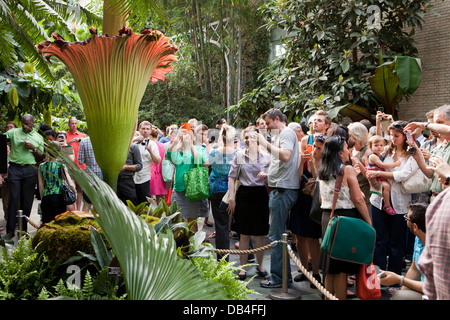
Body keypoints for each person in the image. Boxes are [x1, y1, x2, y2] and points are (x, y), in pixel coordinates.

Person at [318, 135, 372, 300]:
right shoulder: (346, 170)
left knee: (329, 268)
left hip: (328, 217)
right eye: (346, 148)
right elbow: (358, 199)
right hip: (345, 220)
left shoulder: (323, 169)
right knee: (341, 270)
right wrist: (369, 222)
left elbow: (321, 199)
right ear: (340, 153)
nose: (349, 151)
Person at [366, 120, 419, 284]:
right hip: (378, 200)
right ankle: (378, 278)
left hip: (399, 203)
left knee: (396, 244)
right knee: (379, 240)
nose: (392, 138)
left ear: (405, 136)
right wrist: (371, 173)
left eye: (396, 135)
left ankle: (395, 278)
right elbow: (372, 164)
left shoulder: (412, 154)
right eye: (391, 135)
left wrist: (377, 174)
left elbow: (403, 175)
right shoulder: (385, 150)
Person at [252, 108, 300, 289]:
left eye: (269, 123)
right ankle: (282, 275)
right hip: (279, 188)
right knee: (278, 235)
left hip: (283, 190)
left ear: (277, 119)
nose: (268, 127)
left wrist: (264, 143)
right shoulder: (282, 135)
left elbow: (286, 156)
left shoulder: (286, 132)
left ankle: (279, 277)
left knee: (277, 236)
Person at [228, 126, 271, 279]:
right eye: (246, 137)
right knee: (244, 234)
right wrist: (232, 198)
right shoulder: (239, 155)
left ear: (258, 139)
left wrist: (266, 175)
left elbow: (272, 177)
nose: (248, 140)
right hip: (244, 194)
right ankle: (243, 268)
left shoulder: (267, 156)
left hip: (260, 194)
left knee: (260, 234)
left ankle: (260, 266)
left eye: (251, 137)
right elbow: (232, 177)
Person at [1, 115, 45, 244]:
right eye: (23, 124)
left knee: (27, 200)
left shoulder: (38, 137)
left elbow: (40, 157)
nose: (25, 126)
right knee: (13, 197)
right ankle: (10, 232)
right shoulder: (14, 132)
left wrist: (33, 149)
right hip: (14, 168)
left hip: (30, 169)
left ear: (33, 123)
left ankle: (24, 230)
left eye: (28, 124)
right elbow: (2, 139)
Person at [290, 135, 324, 287]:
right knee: (300, 237)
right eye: (312, 147)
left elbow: (320, 181)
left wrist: (314, 166)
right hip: (301, 201)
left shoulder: (325, 164)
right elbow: (297, 180)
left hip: (315, 204)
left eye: (318, 148)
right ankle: (303, 270)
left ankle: (316, 273)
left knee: (313, 239)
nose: (314, 150)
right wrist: (303, 162)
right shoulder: (304, 161)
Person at [379, 201, 427, 300]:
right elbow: (414, 269)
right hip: (423, 288)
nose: (405, 220)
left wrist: (399, 279)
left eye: (407, 218)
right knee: (399, 296)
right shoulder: (418, 239)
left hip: (436, 292)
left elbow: (433, 287)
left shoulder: (438, 248)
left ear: (415, 226)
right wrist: (402, 292)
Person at [166, 127, 209, 232]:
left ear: (193, 137)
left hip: (193, 189)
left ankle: (193, 245)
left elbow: (199, 160)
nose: (185, 136)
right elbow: (169, 154)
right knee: (178, 219)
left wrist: (190, 146)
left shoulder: (199, 149)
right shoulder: (177, 150)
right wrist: (177, 139)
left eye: (188, 134)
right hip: (179, 188)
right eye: (183, 134)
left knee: (192, 220)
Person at [405, 104, 450, 202]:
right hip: (435, 198)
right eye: (434, 123)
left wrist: (424, 125)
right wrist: (418, 157)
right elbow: (431, 174)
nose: (435, 127)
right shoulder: (440, 147)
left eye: (440, 123)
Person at [206, 124, 237, 261]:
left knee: (220, 225)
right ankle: (230, 258)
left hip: (216, 189)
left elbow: (207, 164)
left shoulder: (214, 152)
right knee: (229, 224)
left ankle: (221, 258)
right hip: (230, 191)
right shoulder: (237, 153)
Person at [38, 147, 76, 223]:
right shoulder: (61, 166)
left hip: (46, 197)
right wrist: (74, 191)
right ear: (59, 152)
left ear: (47, 152)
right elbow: (70, 183)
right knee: (59, 222)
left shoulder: (41, 166)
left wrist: (43, 198)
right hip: (59, 197)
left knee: (47, 223)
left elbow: (40, 184)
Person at [366, 135, 401, 215]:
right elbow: (382, 165)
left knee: (387, 187)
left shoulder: (380, 155)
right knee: (386, 186)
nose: (379, 147)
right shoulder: (373, 156)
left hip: (379, 176)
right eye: (376, 145)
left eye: (381, 145)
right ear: (370, 147)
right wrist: (394, 164)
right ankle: (387, 205)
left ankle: (386, 204)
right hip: (377, 177)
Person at [133, 121, 161, 204]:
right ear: (139, 130)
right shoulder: (133, 142)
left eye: (147, 129)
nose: (145, 131)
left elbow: (157, 162)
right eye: (143, 129)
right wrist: (134, 140)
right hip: (131, 177)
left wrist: (151, 151)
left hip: (144, 178)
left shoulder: (153, 144)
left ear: (150, 131)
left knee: (144, 204)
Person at [347, 122, 371, 212]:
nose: (348, 138)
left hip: (365, 195)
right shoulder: (352, 150)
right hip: (353, 194)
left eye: (350, 135)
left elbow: (369, 175)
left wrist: (358, 163)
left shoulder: (367, 151)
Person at [66, 117, 86, 210]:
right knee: (70, 188)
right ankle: (71, 210)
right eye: (72, 123)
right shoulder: (65, 135)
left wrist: (81, 141)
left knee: (80, 190)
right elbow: (62, 147)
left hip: (81, 166)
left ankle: (78, 210)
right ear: (69, 124)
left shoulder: (83, 136)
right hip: (69, 166)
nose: (74, 125)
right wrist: (70, 142)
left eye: (75, 123)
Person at [78, 136, 103, 212]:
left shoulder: (84, 141)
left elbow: (80, 161)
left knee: (87, 203)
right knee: (102, 204)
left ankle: (83, 223)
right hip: (103, 177)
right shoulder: (105, 140)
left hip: (89, 177)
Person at [1, 121, 18, 221]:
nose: (8, 129)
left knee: (17, 200)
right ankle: (8, 219)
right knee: (6, 201)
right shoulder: (3, 143)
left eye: (11, 127)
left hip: (17, 175)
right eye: (7, 127)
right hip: (5, 176)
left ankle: (17, 220)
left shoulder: (18, 142)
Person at [149, 126, 167, 205]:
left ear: (150, 136)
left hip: (151, 171)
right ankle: (160, 215)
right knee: (160, 198)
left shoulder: (150, 145)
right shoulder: (163, 146)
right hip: (161, 172)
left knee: (149, 197)